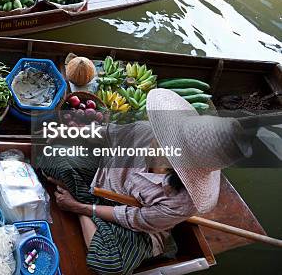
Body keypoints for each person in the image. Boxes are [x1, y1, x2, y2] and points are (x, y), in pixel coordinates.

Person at [39, 89, 251, 274]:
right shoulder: (148, 132)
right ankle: (85, 200)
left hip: (134, 223)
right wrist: (68, 132)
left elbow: (133, 218)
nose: (156, 139)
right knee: (50, 156)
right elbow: (110, 135)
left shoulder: (183, 201)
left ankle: (80, 201)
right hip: (104, 178)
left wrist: (79, 207)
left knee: (109, 263)